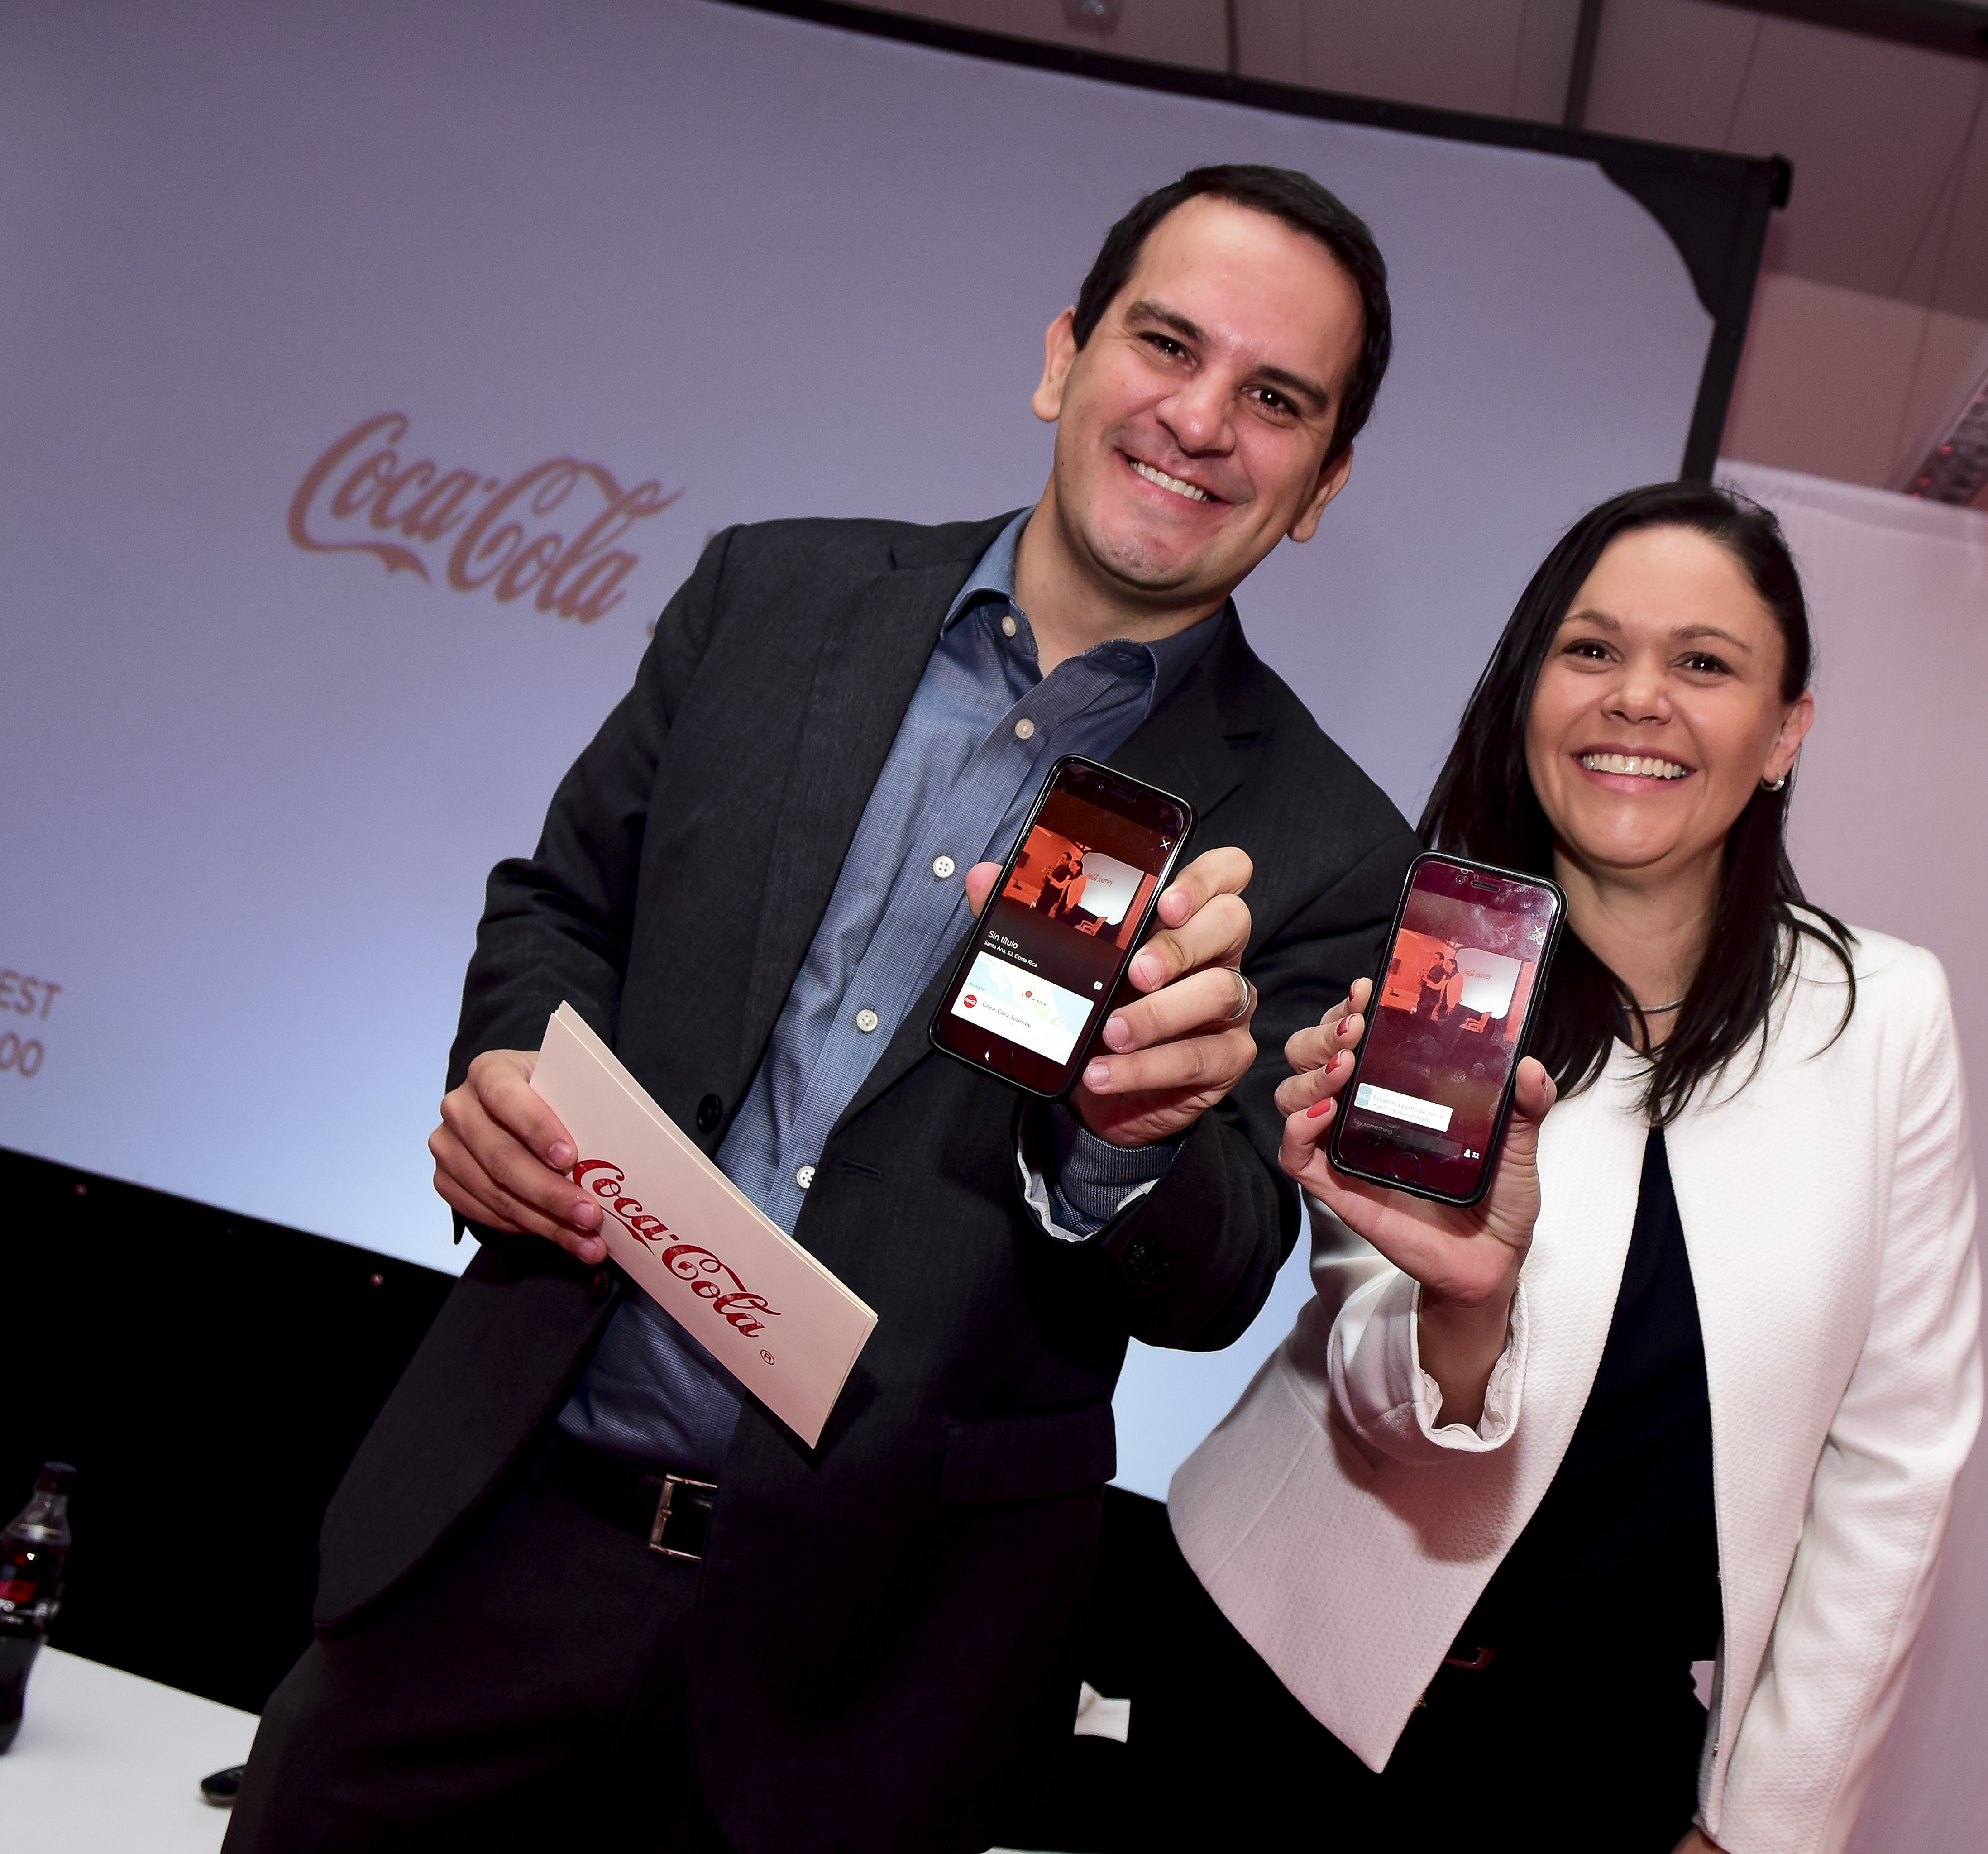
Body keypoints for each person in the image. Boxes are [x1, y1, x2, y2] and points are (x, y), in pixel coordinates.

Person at [228, 166, 1417, 1854]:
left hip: (869, 1684)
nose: (1203, 420)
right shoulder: (767, 597)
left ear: (1322, 483)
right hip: (497, 1550)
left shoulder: (1332, 843)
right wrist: (505, 1071)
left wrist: (1128, 1143)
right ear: (1065, 356)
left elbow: (1221, 1277)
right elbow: (561, 907)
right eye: (1167, 344)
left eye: (1278, 399)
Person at [1138, 481, 1984, 1854]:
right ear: (1530, 692)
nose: (1637, 699)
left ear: (1785, 732)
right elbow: (1376, 1394)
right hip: (1280, 1674)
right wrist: (1463, 1305)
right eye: (1591, 650)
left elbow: (1897, 1461)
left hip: (1599, 1745)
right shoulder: (1431, 962)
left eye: (1703, 664)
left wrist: (1765, 1830)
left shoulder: (1882, 1016)